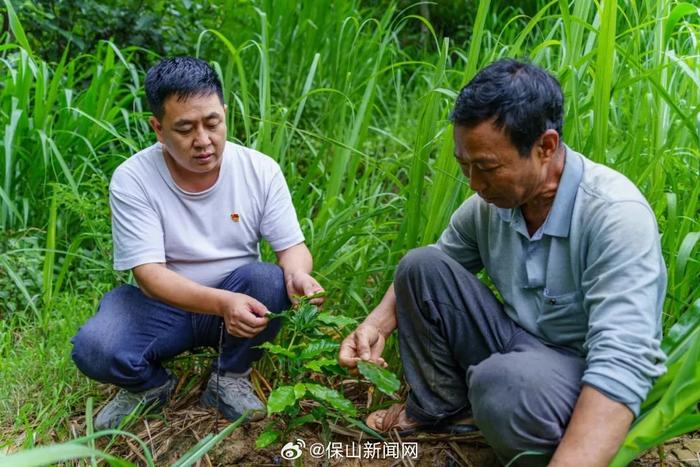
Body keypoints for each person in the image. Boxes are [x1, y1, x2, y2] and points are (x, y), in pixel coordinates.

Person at [338, 59, 666, 466]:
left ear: (545, 147)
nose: (474, 184)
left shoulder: (614, 214)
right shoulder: (491, 205)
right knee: (420, 265)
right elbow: (434, 269)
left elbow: (624, 359)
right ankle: (444, 410)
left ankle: (529, 423)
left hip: (580, 373)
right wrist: (374, 326)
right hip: (518, 343)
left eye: (487, 168)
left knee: (503, 387)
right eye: (465, 166)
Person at [71, 56, 324, 430]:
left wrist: (299, 276)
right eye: (185, 129)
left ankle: (229, 376)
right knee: (95, 347)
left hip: (238, 298)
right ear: (158, 128)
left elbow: (291, 249)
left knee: (271, 281)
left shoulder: (260, 169)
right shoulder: (133, 179)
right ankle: (149, 387)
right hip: (161, 306)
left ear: (224, 113)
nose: (203, 141)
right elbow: (149, 276)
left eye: (212, 123)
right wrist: (222, 303)